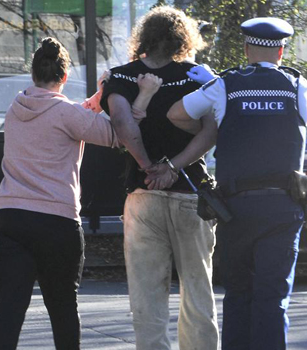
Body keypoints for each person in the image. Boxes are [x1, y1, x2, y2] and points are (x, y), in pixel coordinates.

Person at [0, 37, 161, 350]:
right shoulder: (66, 114)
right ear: (64, 78)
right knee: (63, 308)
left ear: (33, 74)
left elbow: (67, 115)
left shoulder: (16, 107)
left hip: (7, 217)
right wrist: (142, 97)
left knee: (9, 309)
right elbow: (116, 134)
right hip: (55, 222)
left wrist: (96, 97)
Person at [168, 17, 307, 350]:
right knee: (272, 297)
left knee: (238, 294)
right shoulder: (297, 85)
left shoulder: (225, 85)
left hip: (237, 208)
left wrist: (217, 126)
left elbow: (176, 114)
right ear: (280, 51)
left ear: (247, 49)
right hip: (282, 206)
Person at [100, 6, 220, 350]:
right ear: (183, 40)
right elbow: (211, 131)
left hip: (142, 196)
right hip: (191, 196)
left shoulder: (121, 77)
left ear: (144, 39)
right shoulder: (198, 75)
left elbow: (123, 124)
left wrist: (148, 167)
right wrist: (173, 168)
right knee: (198, 292)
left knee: (147, 295)